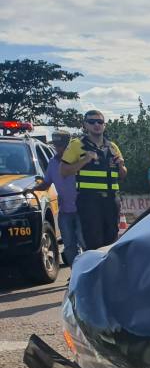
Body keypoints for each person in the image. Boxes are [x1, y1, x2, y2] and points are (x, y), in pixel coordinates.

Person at [60, 110, 126, 249]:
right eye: (92, 121)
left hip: (111, 201)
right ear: (85, 125)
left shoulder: (112, 147)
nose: (96, 124)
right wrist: (85, 159)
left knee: (112, 242)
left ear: (104, 125)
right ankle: (95, 270)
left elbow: (122, 176)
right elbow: (64, 171)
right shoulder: (77, 145)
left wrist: (121, 165)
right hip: (89, 200)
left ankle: (109, 270)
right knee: (94, 243)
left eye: (100, 122)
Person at [38, 131, 85, 266]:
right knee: (69, 246)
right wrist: (32, 188)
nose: (59, 148)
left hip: (82, 209)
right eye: (56, 145)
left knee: (85, 243)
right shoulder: (52, 162)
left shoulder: (78, 160)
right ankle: (76, 273)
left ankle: (90, 273)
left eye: (62, 145)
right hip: (65, 211)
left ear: (69, 145)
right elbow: (47, 183)